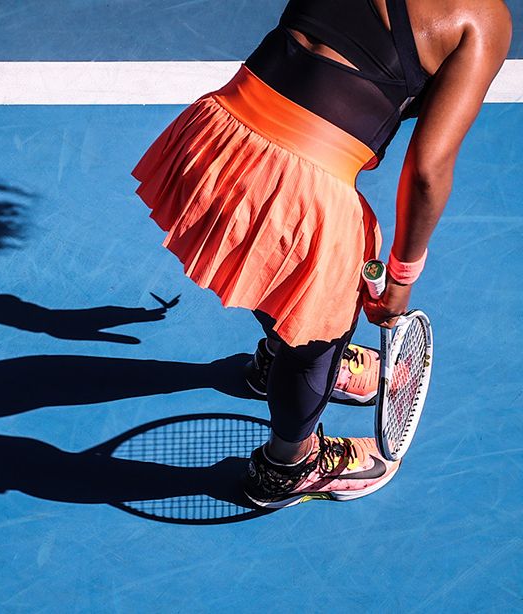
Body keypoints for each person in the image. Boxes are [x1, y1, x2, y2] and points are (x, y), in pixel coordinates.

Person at [132, 0, 512, 508]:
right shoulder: (482, 19)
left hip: (217, 140)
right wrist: (401, 273)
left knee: (278, 249)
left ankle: (273, 364)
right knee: (323, 308)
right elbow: (427, 171)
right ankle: (289, 465)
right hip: (300, 186)